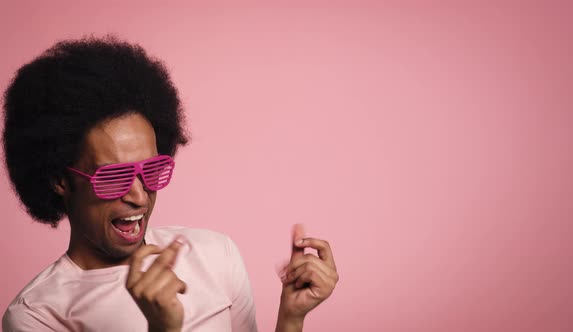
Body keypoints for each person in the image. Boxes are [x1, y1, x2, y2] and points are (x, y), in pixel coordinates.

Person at [1, 36, 338, 332]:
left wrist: (291, 318)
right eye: (115, 176)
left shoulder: (215, 255)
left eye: (152, 169)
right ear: (59, 180)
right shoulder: (38, 315)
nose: (139, 195)